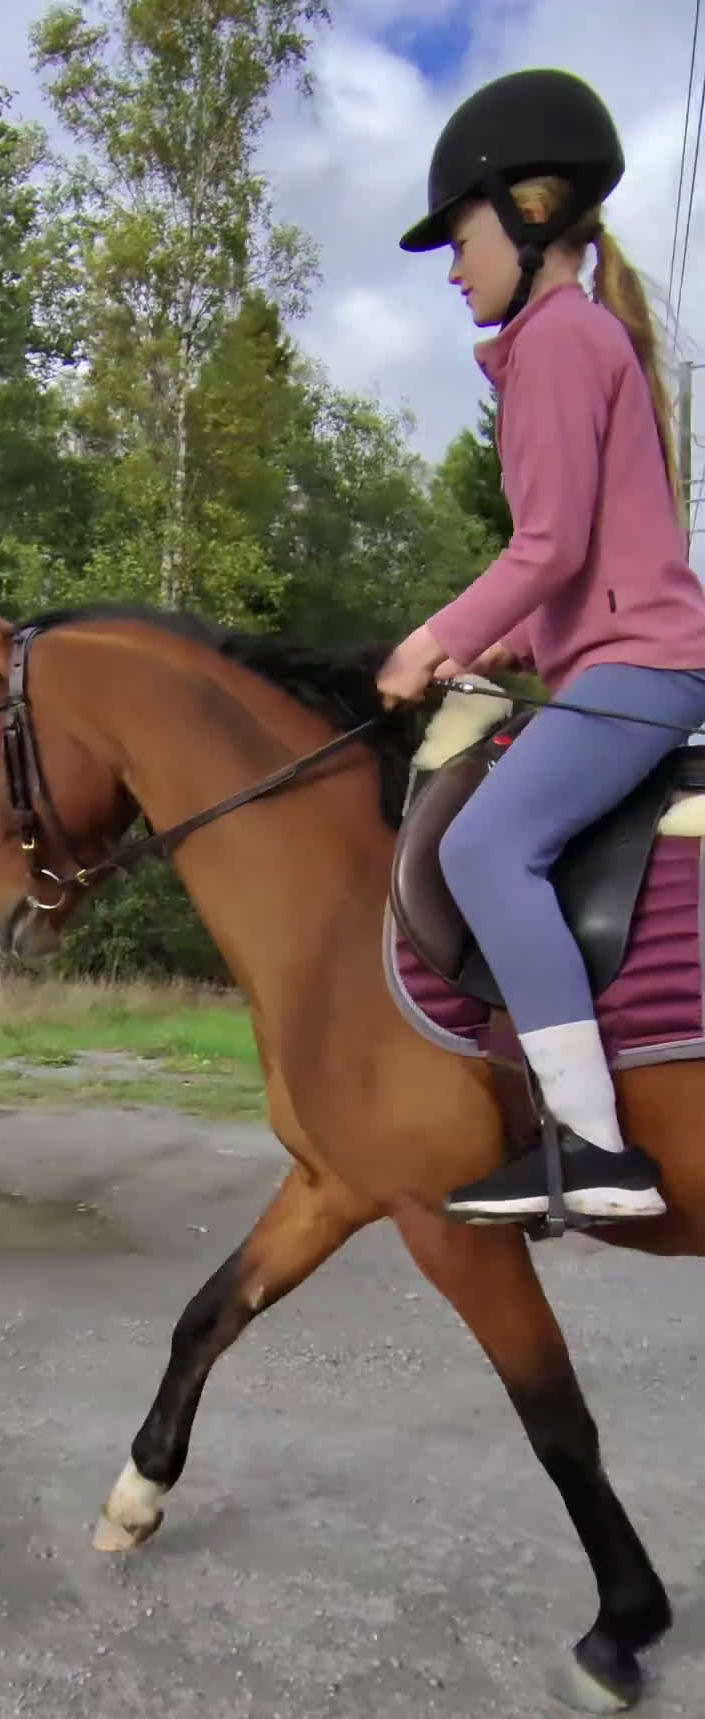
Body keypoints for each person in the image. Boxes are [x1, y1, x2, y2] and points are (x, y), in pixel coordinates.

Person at [377, 68, 705, 1225]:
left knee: (483, 850)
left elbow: (554, 543)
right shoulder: (566, 341)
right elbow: (581, 561)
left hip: (642, 673)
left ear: (526, 213)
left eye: (459, 239)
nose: (454, 269)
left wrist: (429, 639)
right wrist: (503, 645)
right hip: (621, 660)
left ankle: (590, 1143)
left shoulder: (562, 338)